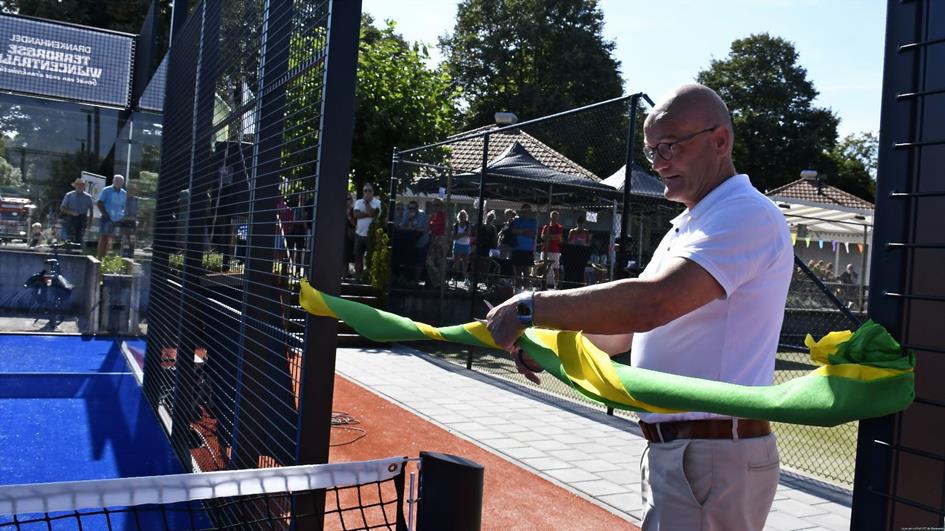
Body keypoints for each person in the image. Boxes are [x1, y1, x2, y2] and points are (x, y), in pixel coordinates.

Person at [485, 83, 792, 530]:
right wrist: (548, 351)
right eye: (653, 151)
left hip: (711, 450)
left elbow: (653, 303)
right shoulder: (690, 223)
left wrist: (531, 307)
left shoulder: (744, 213)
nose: (659, 162)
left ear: (720, 141)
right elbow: (627, 333)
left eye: (669, 147)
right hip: (684, 450)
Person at [352, 182, 381, 282]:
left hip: (371, 235)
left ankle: (368, 278)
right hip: (359, 234)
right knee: (357, 257)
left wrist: (367, 204)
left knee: (370, 258)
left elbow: (373, 213)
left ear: (373, 192)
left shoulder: (378, 203)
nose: (367, 192)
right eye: (365, 191)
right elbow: (356, 215)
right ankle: (358, 277)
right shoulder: (358, 202)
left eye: (369, 190)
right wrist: (369, 214)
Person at [96, 175, 127, 258]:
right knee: (104, 238)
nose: (118, 182)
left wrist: (123, 215)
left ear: (123, 183)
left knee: (115, 240)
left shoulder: (124, 193)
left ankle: (108, 258)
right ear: (113, 181)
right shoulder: (106, 190)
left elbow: (124, 206)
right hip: (107, 218)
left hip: (118, 219)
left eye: (120, 181)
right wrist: (105, 214)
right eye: (116, 180)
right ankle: (99, 258)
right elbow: (99, 202)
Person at [59, 178, 94, 248]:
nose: (79, 187)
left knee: (79, 239)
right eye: (78, 185)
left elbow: (91, 211)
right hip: (70, 218)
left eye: (81, 185)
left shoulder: (88, 197)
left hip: (82, 219)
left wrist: (89, 223)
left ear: (84, 187)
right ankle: (67, 252)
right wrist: (71, 212)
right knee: (68, 237)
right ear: (75, 186)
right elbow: (62, 207)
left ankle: (78, 253)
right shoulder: (69, 195)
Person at [509, 203, 537, 289]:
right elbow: (513, 231)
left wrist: (520, 231)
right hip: (517, 249)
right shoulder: (517, 221)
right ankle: (517, 292)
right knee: (517, 273)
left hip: (528, 250)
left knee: (526, 273)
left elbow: (532, 234)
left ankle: (526, 293)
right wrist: (525, 231)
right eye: (524, 211)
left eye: (528, 211)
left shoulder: (533, 221)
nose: (526, 212)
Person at [425, 198, 447, 288]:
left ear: (441, 205)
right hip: (433, 239)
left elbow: (447, 229)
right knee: (429, 262)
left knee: (439, 262)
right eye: (433, 205)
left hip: (441, 240)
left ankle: (441, 282)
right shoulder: (432, 216)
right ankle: (436, 282)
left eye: (437, 205)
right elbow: (428, 228)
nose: (435, 207)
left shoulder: (444, 215)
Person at [540, 210, 564, 287]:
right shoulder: (546, 226)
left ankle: (556, 285)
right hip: (545, 250)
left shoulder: (559, 227)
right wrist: (553, 236)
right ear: (550, 217)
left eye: (556, 217)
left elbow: (558, 237)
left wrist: (549, 236)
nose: (554, 218)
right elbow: (543, 237)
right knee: (543, 267)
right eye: (553, 216)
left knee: (555, 268)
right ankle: (543, 284)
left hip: (555, 250)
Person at [451, 209, 472, 285]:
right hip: (457, 245)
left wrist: (459, 235)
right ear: (458, 217)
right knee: (456, 263)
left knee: (465, 263)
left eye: (463, 216)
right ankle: (454, 278)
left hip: (466, 246)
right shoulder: (456, 225)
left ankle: (465, 278)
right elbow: (453, 237)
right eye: (461, 216)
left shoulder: (468, 224)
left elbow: (468, 234)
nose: (462, 217)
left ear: (466, 217)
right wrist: (463, 234)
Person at [119, 184, 139, 258]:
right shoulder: (122, 199)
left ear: (135, 191)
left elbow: (140, 211)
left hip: (133, 221)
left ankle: (131, 253)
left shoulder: (137, 200)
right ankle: (124, 253)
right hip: (124, 221)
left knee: (132, 238)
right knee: (125, 238)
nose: (130, 191)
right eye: (129, 189)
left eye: (132, 190)